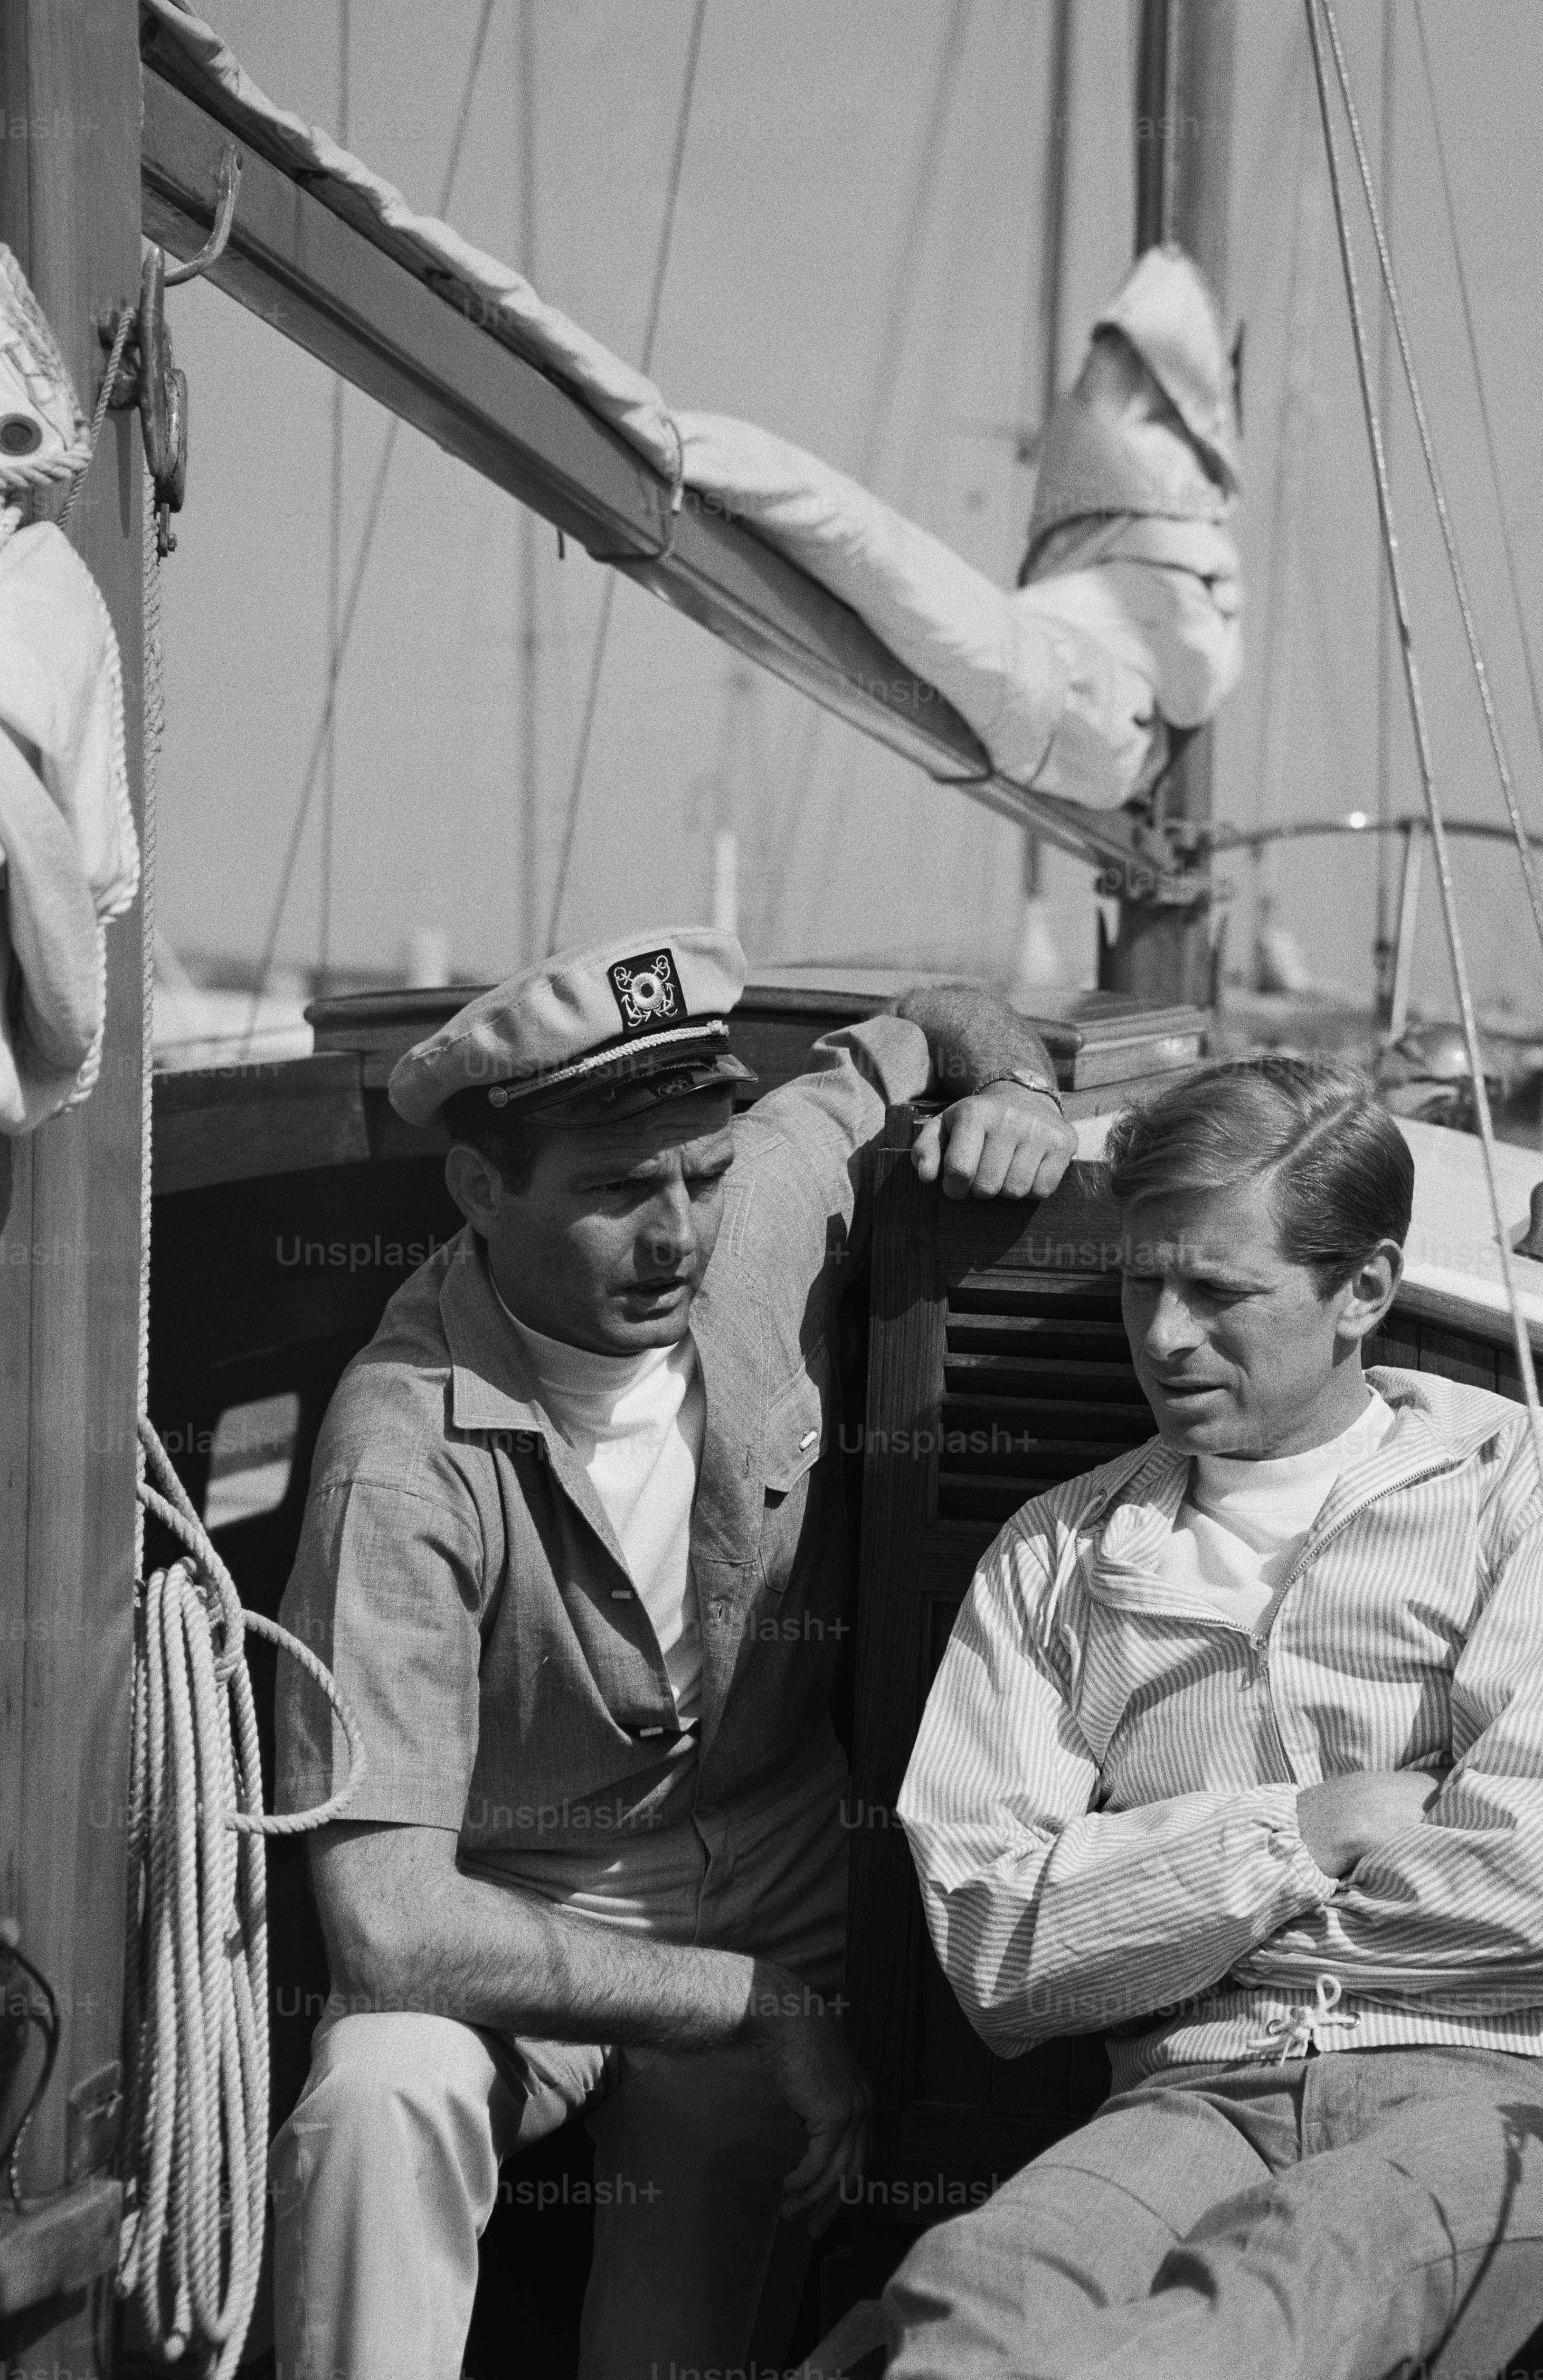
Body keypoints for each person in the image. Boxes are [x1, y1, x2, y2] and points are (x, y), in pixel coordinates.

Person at [270, 927, 1077, 2380]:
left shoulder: (753, 1203)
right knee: (382, 2091)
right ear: (478, 1186)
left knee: (678, 2319)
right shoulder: (397, 1460)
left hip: (776, 1859)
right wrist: (754, 1999)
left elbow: (928, 1018)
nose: (676, 1235)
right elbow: (387, 1922)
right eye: (613, 1189)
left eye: (699, 1174)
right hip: (513, 1899)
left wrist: (1015, 1081)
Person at [884, 1055, 1543, 2380]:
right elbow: (995, 1946)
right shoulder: (1055, 1555)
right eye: (1145, 1280)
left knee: (1305, 2262)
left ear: (1363, 1290)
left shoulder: (1531, 1488)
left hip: (1518, 2092)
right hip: (1197, 2096)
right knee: (971, 2285)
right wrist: (1311, 1830)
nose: (1162, 1335)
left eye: (1220, 1291)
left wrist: (1155, 1919)